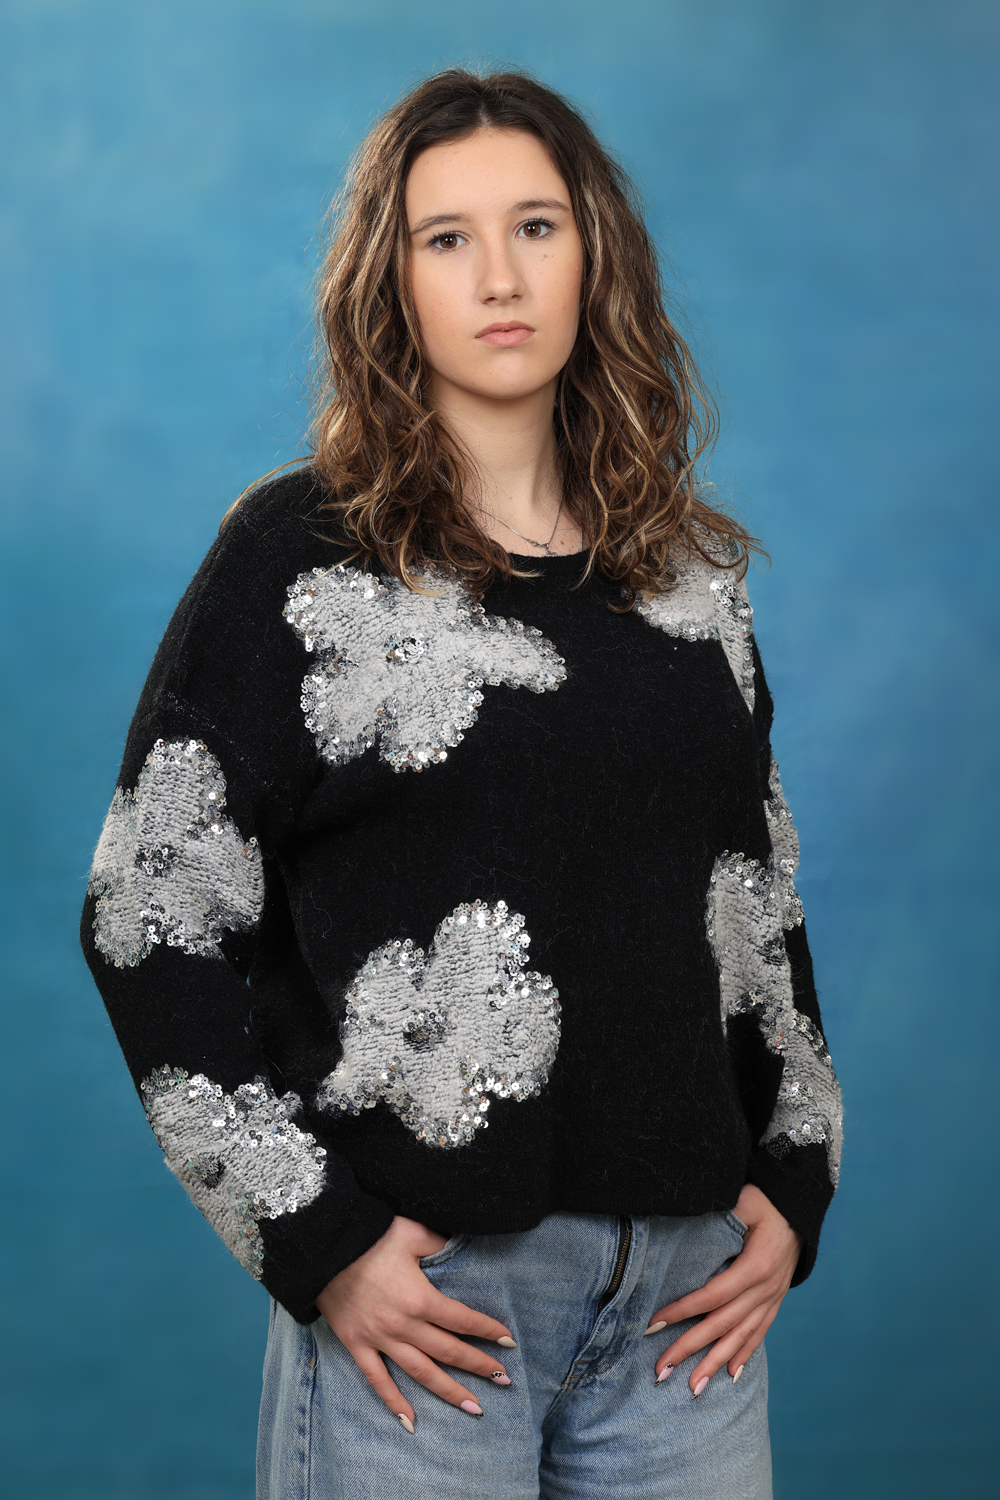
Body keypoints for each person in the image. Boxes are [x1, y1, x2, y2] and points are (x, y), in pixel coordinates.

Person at [81, 67, 842, 1500]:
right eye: (449, 238)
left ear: (595, 254)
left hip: (686, 1315)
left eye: (537, 226)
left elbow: (758, 903)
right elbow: (147, 920)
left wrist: (797, 1179)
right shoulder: (297, 558)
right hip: (424, 1313)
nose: (501, 276)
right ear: (394, 282)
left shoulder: (691, 578)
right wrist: (319, 1243)